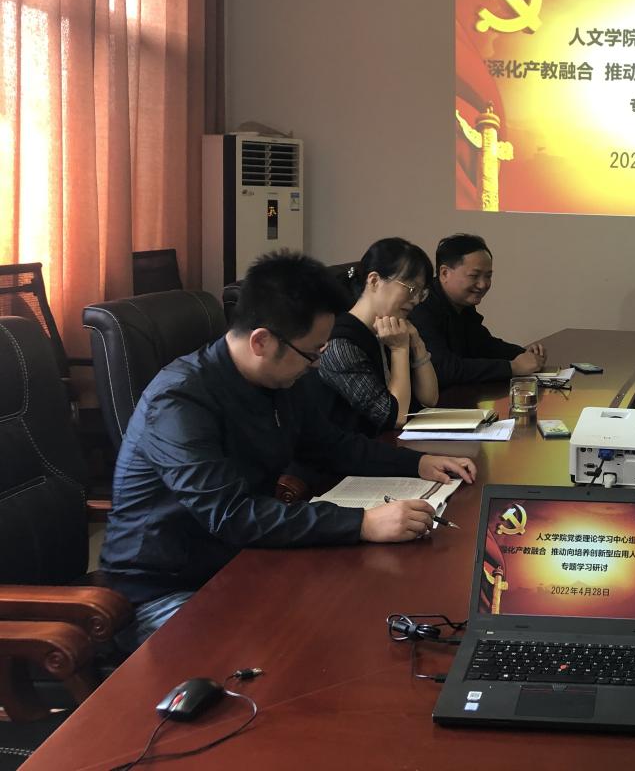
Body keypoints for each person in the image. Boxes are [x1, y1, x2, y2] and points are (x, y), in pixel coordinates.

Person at [100, 251, 476, 651]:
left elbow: (332, 445)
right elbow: (231, 514)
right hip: (164, 591)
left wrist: (419, 463)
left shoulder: (278, 381)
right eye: (312, 353)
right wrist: (362, 524)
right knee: (291, 654)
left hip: (243, 561)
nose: (316, 365)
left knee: (361, 613)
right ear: (262, 341)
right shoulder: (179, 402)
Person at [319, 237, 439, 436]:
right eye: (411, 289)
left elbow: (430, 399)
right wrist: (399, 349)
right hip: (353, 450)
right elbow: (396, 417)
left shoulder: (390, 327)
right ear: (374, 281)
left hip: (385, 444)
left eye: (421, 293)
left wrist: (417, 344)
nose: (416, 300)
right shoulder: (340, 343)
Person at [409, 233, 546, 389]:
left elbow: (483, 345)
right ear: (445, 273)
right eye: (474, 276)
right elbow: (443, 369)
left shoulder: (462, 304)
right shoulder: (422, 307)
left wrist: (524, 354)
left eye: (488, 276)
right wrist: (512, 367)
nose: (483, 284)